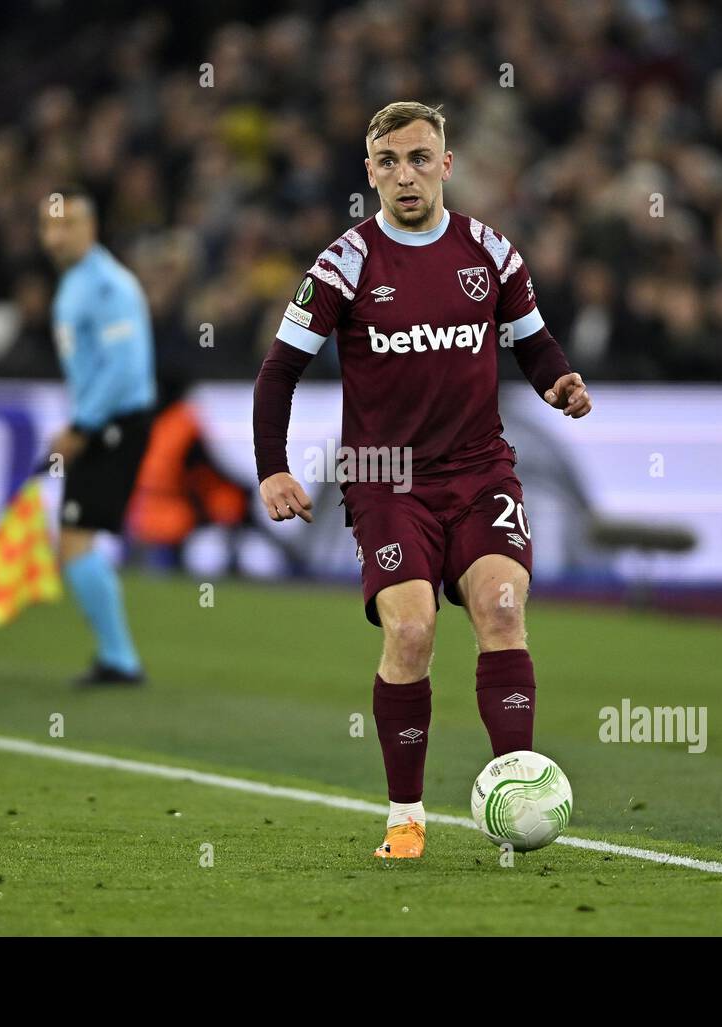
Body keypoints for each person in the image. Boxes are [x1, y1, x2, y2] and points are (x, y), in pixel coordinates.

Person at [252, 102, 592, 859]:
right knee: (411, 630)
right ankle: (406, 817)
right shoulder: (345, 263)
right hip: (386, 480)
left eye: (418, 157)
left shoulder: (491, 253)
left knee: (503, 610)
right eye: (387, 162)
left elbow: (534, 347)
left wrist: (559, 382)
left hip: (479, 470)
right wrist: (272, 467)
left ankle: (518, 795)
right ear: (369, 172)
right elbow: (280, 370)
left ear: (446, 163)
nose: (404, 174)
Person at [39, 185, 158, 686]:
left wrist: (81, 425)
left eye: (65, 224)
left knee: (75, 540)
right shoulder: (77, 282)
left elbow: (124, 367)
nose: (54, 236)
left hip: (113, 423)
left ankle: (121, 660)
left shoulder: (107, 285)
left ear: (90, 228)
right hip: (101, 421)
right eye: (48, 225)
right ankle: (117, 657)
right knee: (74, 540)